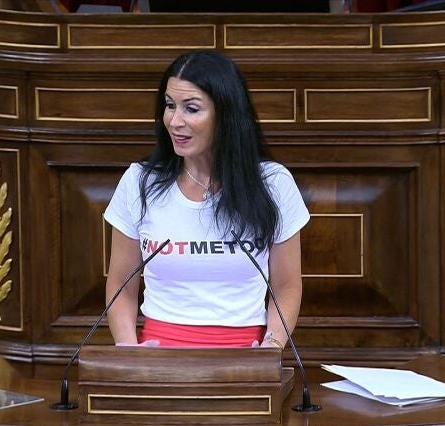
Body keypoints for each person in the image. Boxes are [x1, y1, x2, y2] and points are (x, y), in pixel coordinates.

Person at [103, 50, 309, 348]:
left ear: (225, 115)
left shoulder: (274, 183)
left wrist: (271, 348)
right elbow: (121, 285)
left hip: (246, 358)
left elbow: (286, 286)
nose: (174, 121)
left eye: (191, 108)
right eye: (169, 105)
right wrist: (130, 353)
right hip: (157, 358)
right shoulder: (139, 181)